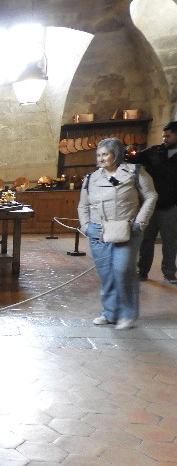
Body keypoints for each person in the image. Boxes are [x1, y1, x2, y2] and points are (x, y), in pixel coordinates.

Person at [78, 137, 157, 330]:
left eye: (105, 154)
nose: (101, 158)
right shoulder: (92, 178)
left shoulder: (134, 172)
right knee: (106, 273)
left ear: (117, 154)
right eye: (98, 155)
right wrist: (86, 225)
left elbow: (150, 196)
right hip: (98, 230)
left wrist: (140, 222)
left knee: (123, 271)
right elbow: (83, 204)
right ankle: (110, 313)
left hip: (126, 228)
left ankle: (128, 314)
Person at [127, 121, 177, 283]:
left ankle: (169, 272)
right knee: (146, 239)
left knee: (170, 240)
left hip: (171, 205)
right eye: (164, 135)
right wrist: (129, 153)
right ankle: (143, 270)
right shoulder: (154, 152)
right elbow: (134, 160)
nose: (165, 139)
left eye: (168, 136)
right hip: (150, 205)